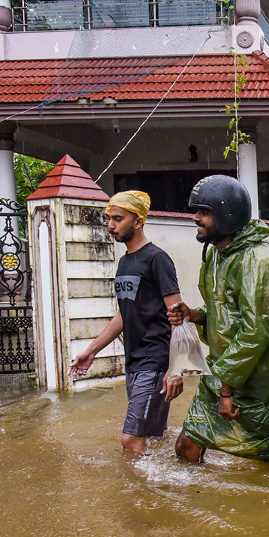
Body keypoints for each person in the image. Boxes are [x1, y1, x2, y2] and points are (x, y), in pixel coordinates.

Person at [167, 175, 269, 463]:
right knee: (186, 446)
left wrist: (227, 390)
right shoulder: (218, 255)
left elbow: (256, 331)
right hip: (224, 369)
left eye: (204, 212)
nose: (195, 218)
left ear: (227, 215)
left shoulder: (257, 261)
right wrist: (196, 315)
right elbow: (227, 314)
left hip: (254, 377)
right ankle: (199, 505)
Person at [68, 191, 183, 454]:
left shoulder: (157, 259)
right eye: (109, 219)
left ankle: (137, 495)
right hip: (134, 363)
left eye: (117, 219)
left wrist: (175, 368)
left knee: (130, 440)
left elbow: (177, 315)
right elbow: (123, 314)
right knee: (152, 440)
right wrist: (91, 351)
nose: (110, 225)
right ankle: (165, 489)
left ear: (139, 221)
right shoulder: (124, 262)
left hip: (154, 363)